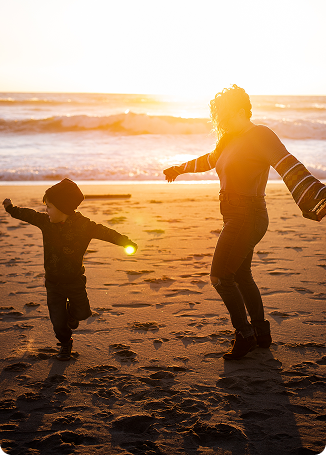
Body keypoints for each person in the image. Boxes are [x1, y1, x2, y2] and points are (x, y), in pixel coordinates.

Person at [163, 85, 326, 360]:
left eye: (225, 116)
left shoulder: (260, 135)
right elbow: (209, 160)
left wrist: (316, 194)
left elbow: (288, 164)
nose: (222, 123)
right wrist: (179, 168)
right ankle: (262, 334)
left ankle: (244, 334)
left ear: (241, 111)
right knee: (241, 275)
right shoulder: (229, 138)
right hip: (234, 216)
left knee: (219, 277)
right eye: (219, 118)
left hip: (248, 216)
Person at [3, 178, 138, 361]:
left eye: (49, 207)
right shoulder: (45, 222)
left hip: (75, 281)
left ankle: (72, 314)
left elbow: (106, 232)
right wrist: (11, 209)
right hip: (53, 283)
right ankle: (65, 344)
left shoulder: (84, 226)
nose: (46, 211)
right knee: (58, 322)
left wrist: (126, 242)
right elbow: (29, 214)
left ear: (62, 208)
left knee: (82, 313)